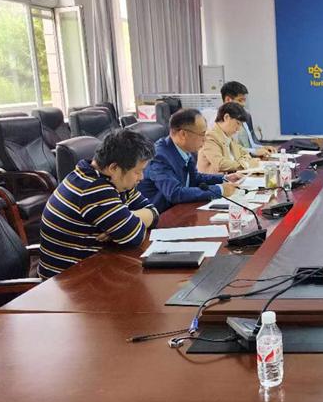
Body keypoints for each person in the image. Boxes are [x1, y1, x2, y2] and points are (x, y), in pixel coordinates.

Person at [39, 130, 159, 279]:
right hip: (67, 281)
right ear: (114, 168)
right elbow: (135, 237)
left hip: (91, 267)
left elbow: (153, 212)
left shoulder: (110, 178)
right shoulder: (93, 188)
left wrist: (130, 217)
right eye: (138, 171)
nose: (141, 177)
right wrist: (127, 223)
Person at [138, 108, 240, 213]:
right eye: (202, 134)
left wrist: (225, 178)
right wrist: (220, 190)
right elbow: (174, 193)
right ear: (183, 134)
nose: (205, 139)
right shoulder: (159, 157)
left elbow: (195, 178)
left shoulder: (184, 149)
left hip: (181, 210)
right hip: (163, 216)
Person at [197, 102, 260, 174]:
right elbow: (220, 164)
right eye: (238, 123)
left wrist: (244, 162)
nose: (238, 129)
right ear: (226, 117)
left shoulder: (229, 137)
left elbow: (245, 154)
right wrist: (246, 164)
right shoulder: (210, 137)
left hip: (232, 178)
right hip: (216, 180)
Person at [220, 80, 275, 158]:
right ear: (228, 100)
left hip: (248, 159)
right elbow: (231, 150)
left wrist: (263, 148)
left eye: (244, 100)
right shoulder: (222, 122)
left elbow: (251, 144)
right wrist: (254, 152)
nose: (243, 104)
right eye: (240, 100)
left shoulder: (244, 117)